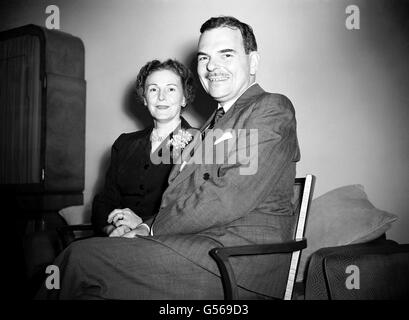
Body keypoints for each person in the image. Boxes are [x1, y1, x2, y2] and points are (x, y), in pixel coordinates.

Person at [37, 16, 300, 300]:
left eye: (226, 54)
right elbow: (179, 196)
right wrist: (138, 224)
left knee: (79, 260)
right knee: (89, 281)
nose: (212, 66)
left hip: (237, 262)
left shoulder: (269, 108)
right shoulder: (213, 124)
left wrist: (148, 227)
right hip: (202, 247)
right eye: (204, 57)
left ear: (253, 62)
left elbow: (226, 197)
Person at [91, 59, 196, 237]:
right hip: (118, 238)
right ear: (145, 98)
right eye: (153, 89)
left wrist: (142, 224)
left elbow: (190, 209)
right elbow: (105, 200)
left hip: (166, 241)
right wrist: (113, 228)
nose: (161, 96)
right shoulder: (124, 144)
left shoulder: (199, 144)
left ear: (184, 97)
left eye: (171, 89)